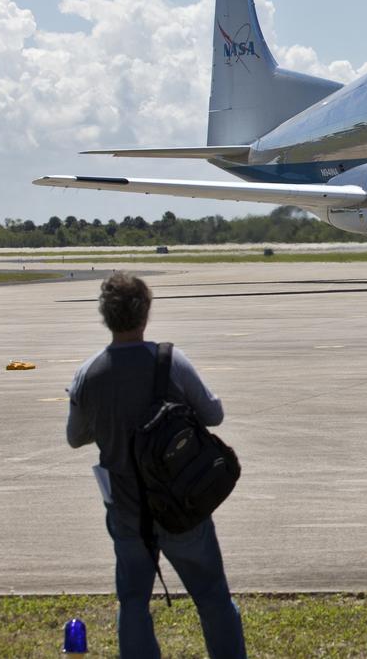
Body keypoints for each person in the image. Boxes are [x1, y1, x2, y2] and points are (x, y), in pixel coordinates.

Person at [67, 272, 247, 659]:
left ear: (105, 316)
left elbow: (75, 437)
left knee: (133, 602)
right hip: (182, 504)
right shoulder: (169, 361)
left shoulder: (88, 374)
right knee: (213, 598)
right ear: (145, 314)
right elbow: (213, 414)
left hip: (128, 511)